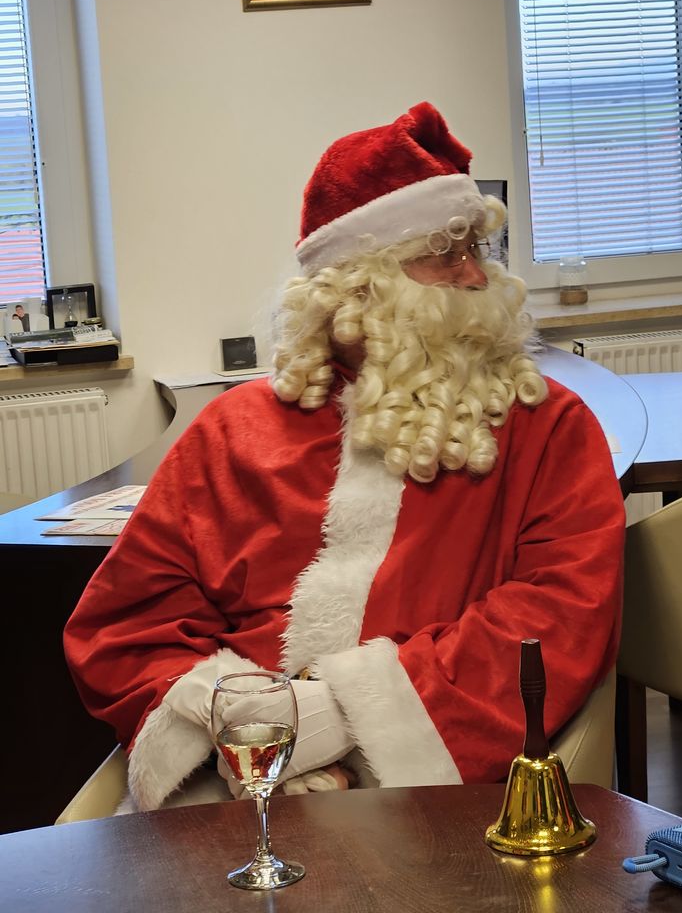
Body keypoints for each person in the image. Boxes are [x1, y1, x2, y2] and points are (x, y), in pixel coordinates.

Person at [64, 102, 626, 813]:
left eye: (476, 252)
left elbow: (558, 612)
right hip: (229, 780)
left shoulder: (544, 427)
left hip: (437, 784)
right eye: (444, 255)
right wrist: (241, 725)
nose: (475, 278)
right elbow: (131, 618)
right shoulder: (234, 430)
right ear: (356, 284)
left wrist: (336, 718)